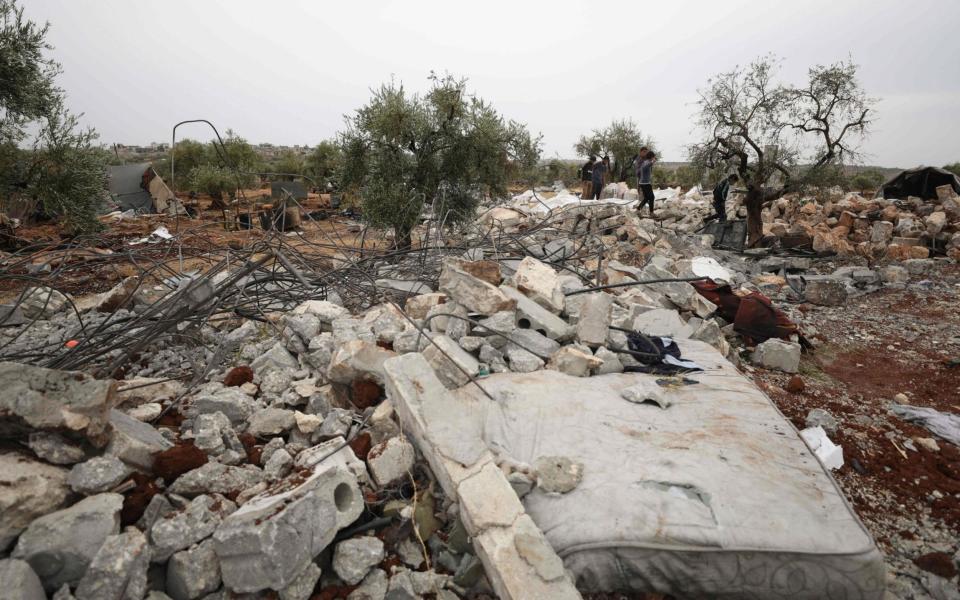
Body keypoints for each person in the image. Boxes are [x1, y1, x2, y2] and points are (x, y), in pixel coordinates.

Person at [636, 150, 656, 215]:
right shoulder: (647, 162)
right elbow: (645, 167)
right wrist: (652, 162)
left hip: (643, 183)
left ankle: (638, 209)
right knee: (652, 197)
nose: (654, 158)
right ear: (651, 157)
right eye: (653, 157)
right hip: (645, 183)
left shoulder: (645, 162)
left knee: (647, 198)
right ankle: (651, 212)